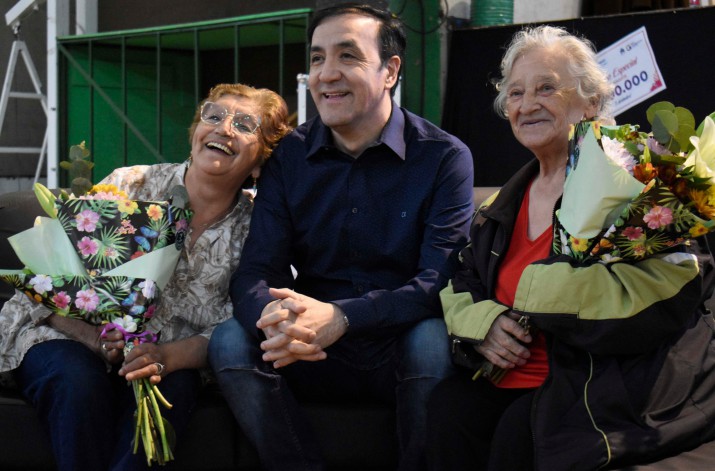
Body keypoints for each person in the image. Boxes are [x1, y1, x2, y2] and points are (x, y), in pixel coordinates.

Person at [425, 24, 715, 470]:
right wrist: (485, 323)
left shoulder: (638, 180)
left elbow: (675, 285)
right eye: (516, 94)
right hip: (506, 378)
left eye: (547, 88)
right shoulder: (504, 202)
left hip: (600, 386)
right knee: (446, 411)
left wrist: (540, 294)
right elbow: (462, 279)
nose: (527, 104)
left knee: (517, 435)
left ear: (592, 101)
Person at [208, 4, 474, 470]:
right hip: (310, 347)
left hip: (397, 337)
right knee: (231, 340)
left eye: (347, 56)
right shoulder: (288, 157)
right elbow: (256, 269)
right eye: (316, 59)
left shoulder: (443, 158)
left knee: (432, 340)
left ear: (390, 70)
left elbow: (439, 280)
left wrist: (344, 317)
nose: (326, 75)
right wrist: (272, 316)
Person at [0, 82, 291, 470]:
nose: (224, 128)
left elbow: (232, 328)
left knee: (177, 390)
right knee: (76, 383)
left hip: (170, 360)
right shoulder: (130, 184)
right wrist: (97, 338)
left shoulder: (258, 229)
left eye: (244, 124)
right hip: (70, 335)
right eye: (214, 116)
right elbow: (47, 280)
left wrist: (163, 357)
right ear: (194, 134)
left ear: (259, 163)